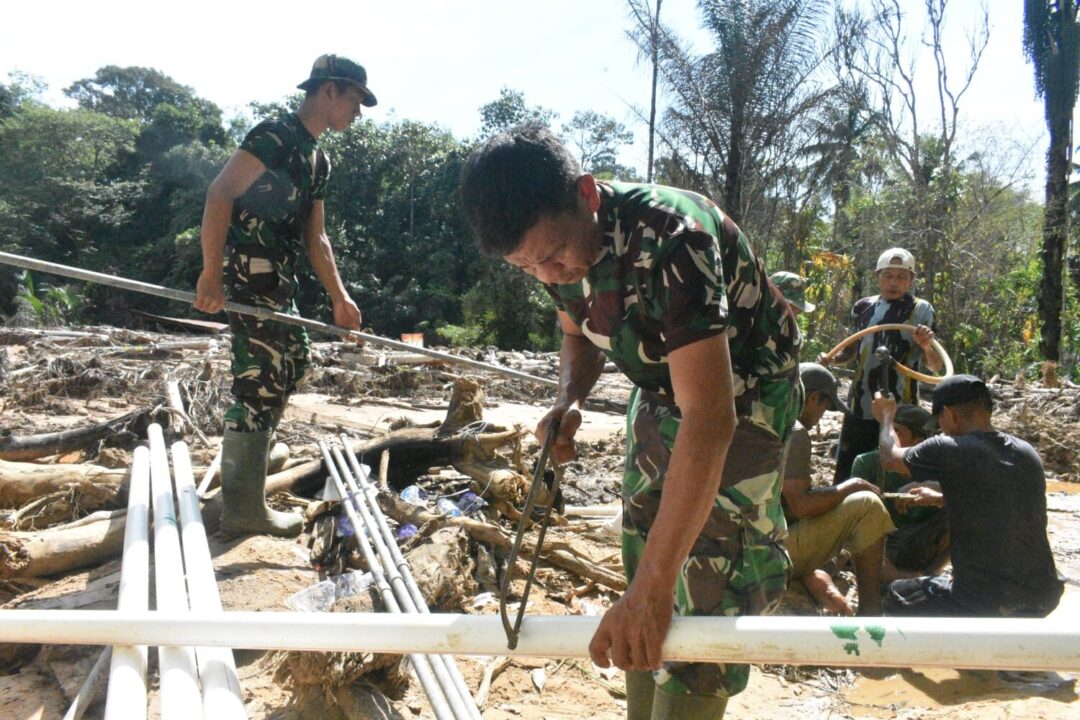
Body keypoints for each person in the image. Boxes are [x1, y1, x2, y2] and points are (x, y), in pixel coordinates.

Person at [459, 125, 800, 720]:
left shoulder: (673, 238)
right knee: (645, 550)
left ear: (587, 195)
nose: (547, 275)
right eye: (526, 266)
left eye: (552, 257)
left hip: (743, 396)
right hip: (664, 386)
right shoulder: (556, 244)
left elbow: (712, 418)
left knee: (703, 580)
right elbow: (578, 334)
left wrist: (655, 589)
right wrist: (569, 399)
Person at [193, 54, 374, 536]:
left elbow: (317, 238)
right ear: (329, 90)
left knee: (293, 358)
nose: (358, 112)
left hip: (281, 281)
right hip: (249, 276)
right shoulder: (273, 136)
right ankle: (243, 511)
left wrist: (340, 297)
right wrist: (211, 274)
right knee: (259, 380)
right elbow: (220, 193)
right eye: (355, 99)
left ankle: (248, 472)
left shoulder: (319, 159)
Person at [872, 375, 1064, 617]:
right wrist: (942, 497)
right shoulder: (1026, 452)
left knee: (893, 594)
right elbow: (1001, 499)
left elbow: (890, 458)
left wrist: (886, 416)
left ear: (949, 414)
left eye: (940, 420)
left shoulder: (949, 447)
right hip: (1043, 595)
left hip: (986, 599)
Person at [823, 247, 943, 483]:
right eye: (888, 276)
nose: (893, 283)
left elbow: (936, 367)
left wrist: (927, 345)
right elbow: (851, 350)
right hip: (860, 403)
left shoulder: (921, 310)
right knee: (848, 467)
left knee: (894, 469)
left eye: (901, 277)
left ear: (911, 280)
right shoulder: (863, 307)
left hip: (900, 408)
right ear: (878, 276)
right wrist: (830, 359)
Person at [782, 363, 893, 616]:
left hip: (743, 544)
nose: (822, 415)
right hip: (769, 552)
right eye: (824, 406)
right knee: (867, 505)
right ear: (812, 398)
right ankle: (871, 610)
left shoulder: (764, 419)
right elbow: (800, 505)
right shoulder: (796, 433)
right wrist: (850, 486)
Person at [849, 404, 950, 580]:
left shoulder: (937, 467)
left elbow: (969, 492)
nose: (887, 438)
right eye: (888, 431)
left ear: (919, 443)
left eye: (897, 432)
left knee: (959, 512)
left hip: (921, 540)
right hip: (880, 541)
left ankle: (929, 575)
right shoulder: (867, 462)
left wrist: (932, 487)